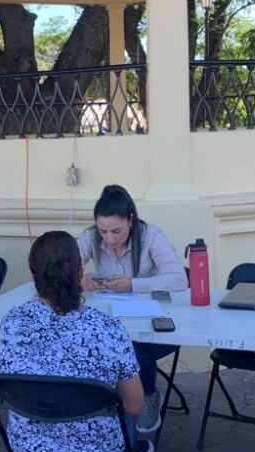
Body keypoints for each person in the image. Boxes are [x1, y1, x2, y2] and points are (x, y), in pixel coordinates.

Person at [0, 231, 154, 452]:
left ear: (33, 276)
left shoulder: (11, 324)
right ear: (81, 271)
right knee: (128, 415)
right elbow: (135, 405)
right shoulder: (107, 328)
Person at [77, 184, 187, 433]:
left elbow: (179, 280)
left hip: (155, 327)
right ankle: (96, 402)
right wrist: (79, 280)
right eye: (103, 231)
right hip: (111, 322)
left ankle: (147, 396)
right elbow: (62, 268)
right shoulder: (90, 236)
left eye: (116, 231)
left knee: (130, 345)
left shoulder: (151, 237)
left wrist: (133, 285)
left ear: (131, 221)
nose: (109, 239)